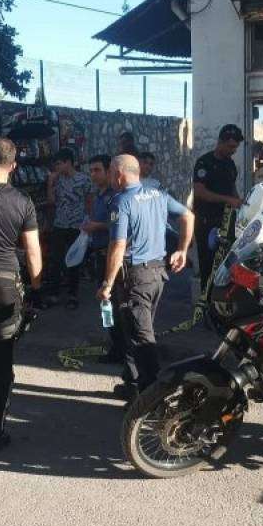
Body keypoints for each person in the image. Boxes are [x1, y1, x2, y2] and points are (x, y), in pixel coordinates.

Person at [96, 155, 194, 402]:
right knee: (132, 330)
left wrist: (107, 283)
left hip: (135, 279)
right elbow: (188, 215)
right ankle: (133, 384)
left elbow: (118, 245)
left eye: (110, 172)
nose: (109, 177)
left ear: (119, 174)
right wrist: (182, 250)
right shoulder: (158, 195)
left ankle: (152, 397)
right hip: (156, 275)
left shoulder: (121, 202)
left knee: (141, 338)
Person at [0, 137, 44, 453]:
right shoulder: (24, 201)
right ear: (14, 166)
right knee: (2, 358)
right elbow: (32, 250)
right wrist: (37, 287)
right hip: (7, 283)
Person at [80, 154, 123, 366]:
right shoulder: (99, 195)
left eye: (97, 170)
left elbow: (118, 226)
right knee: (105, 305)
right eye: (91, 171)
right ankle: (114, 342)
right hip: (98, 254)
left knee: (114, 304)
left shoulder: (115, 197)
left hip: (110, 258)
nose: (93, 175)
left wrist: (96, 226)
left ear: (108, 171)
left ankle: (120, 347)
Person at [193, 124, 244, 290]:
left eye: (235, 147)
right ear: (220, 142)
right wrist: (228, 200)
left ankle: (223, 300)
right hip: (207, 222)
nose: (233, 151)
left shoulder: (230, 164)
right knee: (209, 266)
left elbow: (232, 188)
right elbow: (200, 192)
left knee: (227, 265)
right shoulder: (204, 163)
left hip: (227, 222)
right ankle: (206, 301)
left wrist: (240, 203)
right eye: (230, 147)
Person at [46, 147, 90, 309]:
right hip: (60, 225)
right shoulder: (57, 180)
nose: (56, 167)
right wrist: (50, 184)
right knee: (55, 260)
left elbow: (89, 201)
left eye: (59, 163)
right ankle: (54, 293)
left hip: (77, 226)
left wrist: (88, 222)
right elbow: (51, 201)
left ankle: (73, 294)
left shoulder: (83, 180)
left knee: (74, 261)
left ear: (68, 162)